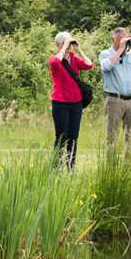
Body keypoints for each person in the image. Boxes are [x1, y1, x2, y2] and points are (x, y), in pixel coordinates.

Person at [49, 31, 93, 169]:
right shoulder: (54, 59)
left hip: (76, 102)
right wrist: (63, 48)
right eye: (64, 42)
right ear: (57, 45)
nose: (68, 45)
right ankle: (56, 167)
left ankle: (70, 167)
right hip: (60, 103)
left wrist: (78, 49)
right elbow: (56, 62)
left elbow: (88, 65)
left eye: (69, 42)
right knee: (62, 137)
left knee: (73, 138)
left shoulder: (73, 59)